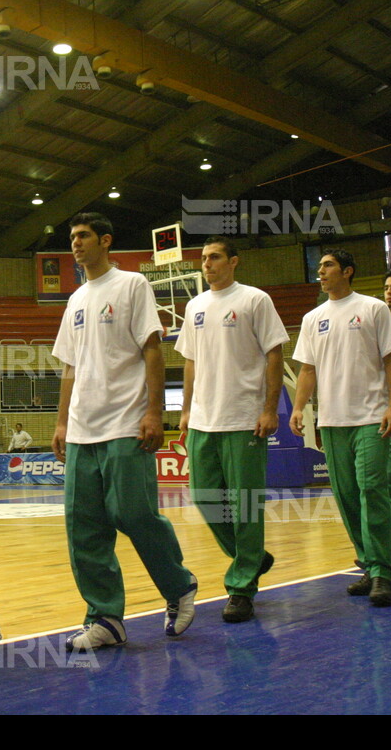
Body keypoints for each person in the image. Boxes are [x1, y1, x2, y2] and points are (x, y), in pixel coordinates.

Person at [50, 212, 196, 651]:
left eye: (82, 236)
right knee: (84, 527)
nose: (74, 244)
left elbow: (152, 350)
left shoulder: (132, 285)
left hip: (126, 423)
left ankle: (179, 585)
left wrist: (154, 413)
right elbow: (70, 367)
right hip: (81, 430)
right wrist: (60, 422)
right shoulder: (75, 299)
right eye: (71, 237)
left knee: (133, 514)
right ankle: (105, 617)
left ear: (105, 241)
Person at [177, 237, 287, 622]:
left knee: (245, 507)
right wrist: (187, 410)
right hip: (203, 421)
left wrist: (270, 409)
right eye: (204, 258)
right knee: (206, 500)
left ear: (233, 261)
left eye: (215, 257)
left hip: (244, 419)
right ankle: (253, 557)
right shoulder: (194, 306)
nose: (207, 264)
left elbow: (275, 354)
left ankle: (241, 587)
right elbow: (190, 362)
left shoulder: (255, 300)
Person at [291, 250, 391, 607]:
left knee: (372, 489)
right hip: (332, 420)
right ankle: (369, 564)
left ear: (347, 272)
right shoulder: (313, 318)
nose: (320, 272)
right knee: (348, 497)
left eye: (327, 266)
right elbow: (307, 369)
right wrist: (298, 407)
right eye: (320, 267)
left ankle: (384, 571)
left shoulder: (372, 308)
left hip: (370, 416)